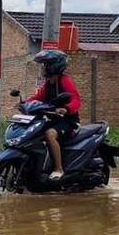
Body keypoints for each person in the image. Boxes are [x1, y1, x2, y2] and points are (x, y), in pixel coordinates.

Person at [27, 50, 81, 181]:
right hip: (53, 119)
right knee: (33, 133)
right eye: (44, 65)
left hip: (68, 121)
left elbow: (76, 100)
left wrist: (66, 109)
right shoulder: (49, 83)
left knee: (50, 134)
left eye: (47, 64)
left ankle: (58, 169)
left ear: (56, 65)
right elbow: (38, 97)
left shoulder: (65, 81)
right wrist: (24, 104)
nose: (44, 67)